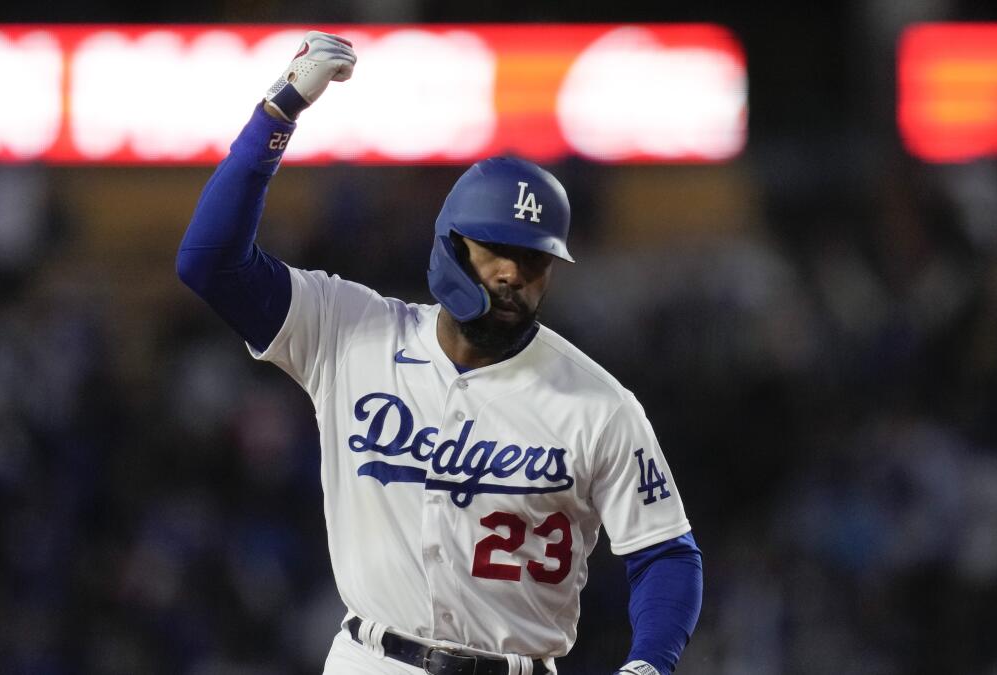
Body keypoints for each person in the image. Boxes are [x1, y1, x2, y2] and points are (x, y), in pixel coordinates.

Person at [177, 31, 703, 675]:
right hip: (373, 659)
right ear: (452, 246)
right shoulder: (351, 330)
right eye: (498, 250)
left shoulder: (597, 403)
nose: (514, 274)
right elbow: (210, 263)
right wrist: (276, 115)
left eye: (535, 259)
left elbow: (666, 553)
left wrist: (650, 663)